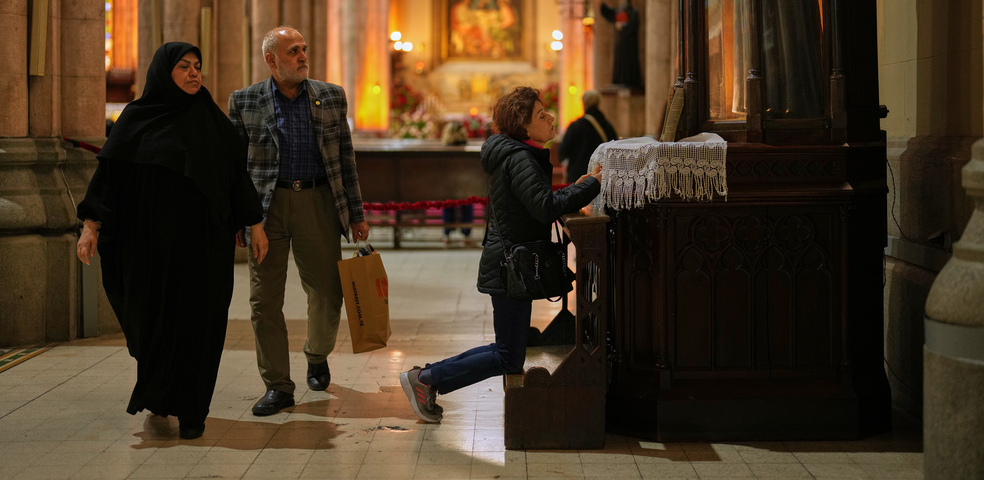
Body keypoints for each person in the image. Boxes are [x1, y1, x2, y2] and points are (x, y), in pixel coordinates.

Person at [75, 42, 267, 440]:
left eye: (198, 66)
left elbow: (236, 177)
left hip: (204, 248)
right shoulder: (136, 119)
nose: (195, 74)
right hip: (150, 249)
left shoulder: (212, 122)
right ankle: (161, 396)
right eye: (184, 67)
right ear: (165, 72)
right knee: (154, 323)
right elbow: (109, 180)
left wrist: (255, 223)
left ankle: (193, 410)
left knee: (201, 324)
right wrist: (90, 225)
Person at [399, 86, 603, 423]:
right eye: (541, 115)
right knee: (508, 355)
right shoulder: (520, 156)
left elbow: (535, 201)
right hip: (511, 266)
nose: (550, 117)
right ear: (523, 126)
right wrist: (589, 185)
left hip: (512, 263)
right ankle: (425, 379)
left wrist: (578, 185)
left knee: (508, 349)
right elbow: (544, 207)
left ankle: (426, 378)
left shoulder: (519, 153)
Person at [228, 27, 370, 416]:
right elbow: (235, 170)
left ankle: (316, 352)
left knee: (327, 292)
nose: (303, 56)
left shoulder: (330, 96)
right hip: (265, 213)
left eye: (304, 49)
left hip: (318, 201)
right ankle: (277, 385)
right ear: (271, 60)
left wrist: (356, 213)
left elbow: (345, 159)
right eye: (294, 51)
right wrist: (243, 222)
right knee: (264, 301)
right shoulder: (244, 101)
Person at [558, 89, 619, 183]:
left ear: (584, 104)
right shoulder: (607, 126)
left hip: (578, 177)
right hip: (601, 177)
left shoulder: (575, 126)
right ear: (598, 103)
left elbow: (562, 151)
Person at [440, 120, 475, 247]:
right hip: (465, 184)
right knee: (467, 204)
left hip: (448, 185)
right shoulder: (468, 150)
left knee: (448, 204)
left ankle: (447, 233)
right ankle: (467, 234)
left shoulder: (443, 151)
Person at [599, 0, 644, 88]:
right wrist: (602, 4)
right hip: (620, 43)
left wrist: (623, 27)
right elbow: (610, 15)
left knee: (629, 63)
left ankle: (629, 81)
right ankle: (619, 80)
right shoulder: (620, 11)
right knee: (619, 63)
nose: (621, 1)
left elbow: (633, 25)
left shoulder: (633, 11)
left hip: (630, 44)